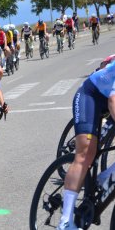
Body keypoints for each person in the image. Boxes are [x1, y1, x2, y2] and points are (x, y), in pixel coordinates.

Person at [57, 62, 115, 230]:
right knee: (85, 155)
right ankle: (66, 222)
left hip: (108, 98)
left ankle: (105, 176)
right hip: (91, 95)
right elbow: (112, 100)